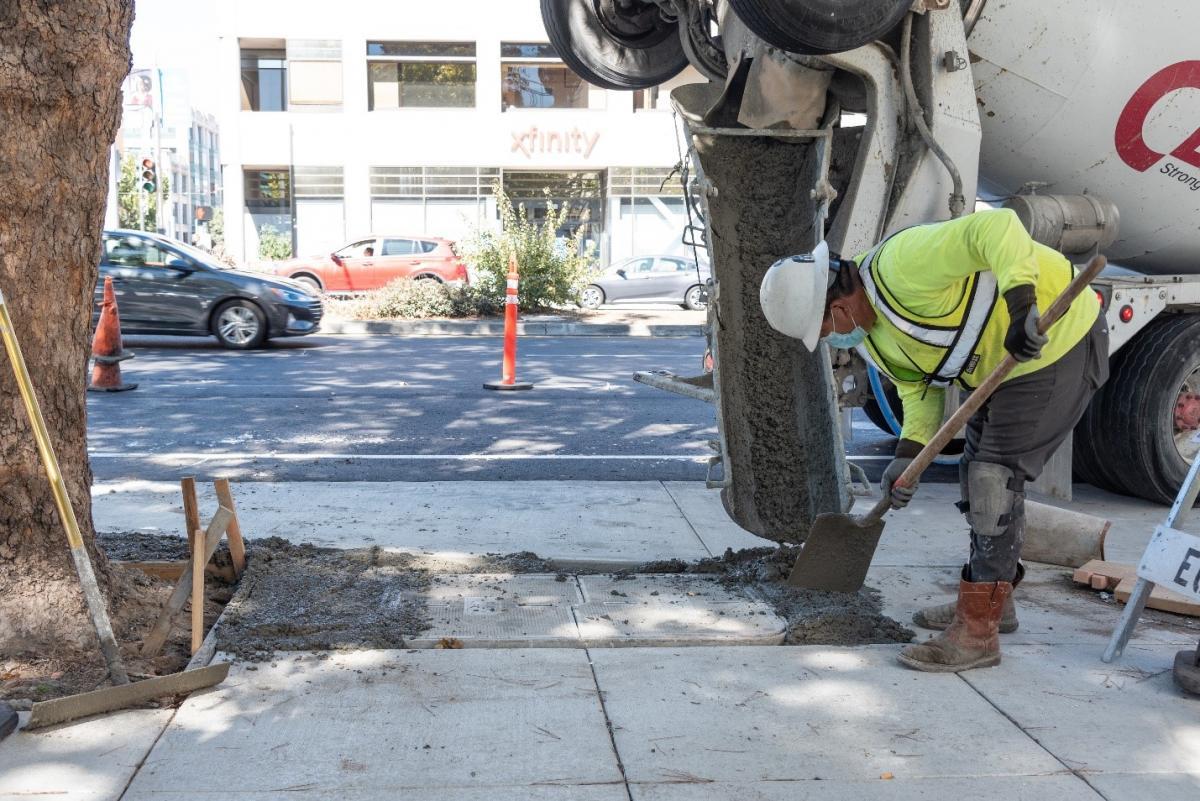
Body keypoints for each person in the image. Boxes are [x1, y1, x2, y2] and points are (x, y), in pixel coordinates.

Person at [759, 209, 1109, 672]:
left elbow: (997, 227)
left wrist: (1022, 307)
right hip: (999, 368)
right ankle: (992, 602)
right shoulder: (871, 335)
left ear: (838, 309)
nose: (832, 340)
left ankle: (978, 634)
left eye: (824, 332)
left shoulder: (903, 266)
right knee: (976, 476)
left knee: (993, 481)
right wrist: (908, 455)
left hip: (1058, 339)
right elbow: (917, 387)